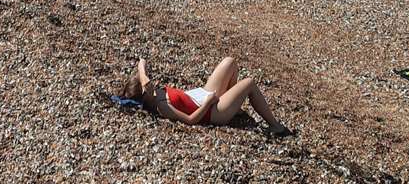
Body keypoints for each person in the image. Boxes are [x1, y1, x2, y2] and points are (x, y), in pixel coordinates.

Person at [120, 57, 292, 136]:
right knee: (249, 83)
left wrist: (142, 75)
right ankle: (275, 126)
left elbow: (142, 62)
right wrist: (208, 103)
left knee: (229, 62)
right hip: (212, 111)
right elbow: (190, 120)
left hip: (202, 94)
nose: (149, 82)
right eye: (146, 84)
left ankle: (234, 108)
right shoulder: (161, 106)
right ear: (144, 93)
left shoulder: (153, 92)